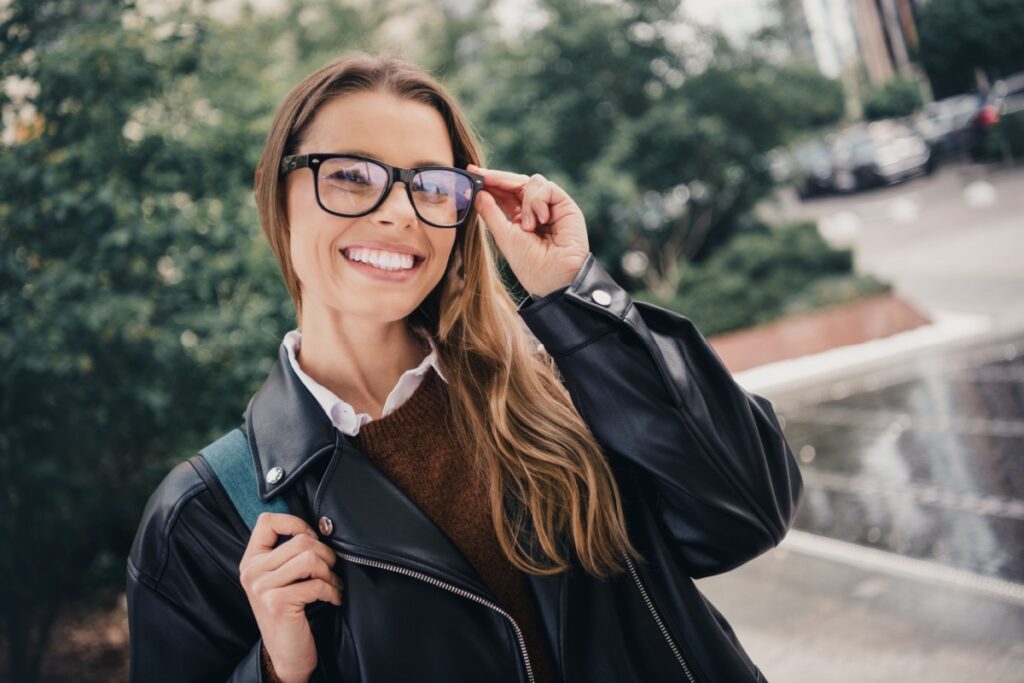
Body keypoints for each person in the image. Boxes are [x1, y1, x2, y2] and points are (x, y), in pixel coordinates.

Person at [126, 50, 803, 683]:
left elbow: (748, 512)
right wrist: (278, 671)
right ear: (277, 196)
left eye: (431, 184)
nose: (398, 213)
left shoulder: (565, 384)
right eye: (351, 177)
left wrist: (575, 296)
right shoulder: (203, 518)